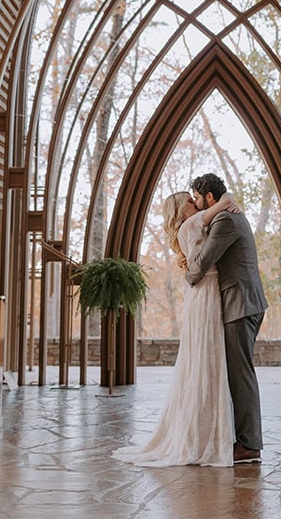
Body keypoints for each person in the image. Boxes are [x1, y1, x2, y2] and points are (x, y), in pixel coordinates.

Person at [112, 189, 237, 467]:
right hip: (205, 291)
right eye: (192, 201)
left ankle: (201, 431)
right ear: (182, 210)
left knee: (201, 358)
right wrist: (230, 201)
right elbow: (226, 200)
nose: (197, 203)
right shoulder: (192, 224)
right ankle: (205, 437)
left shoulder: (185, 229)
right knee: (207, 356)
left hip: (200, 293)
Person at [186, 173, 268, 464]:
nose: (196, 205)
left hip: (240, 303)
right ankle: (241, 438)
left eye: (197, 198)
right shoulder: (228, 213)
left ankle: (249, 445)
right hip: (243, 301)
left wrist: (186, 269)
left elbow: (200, 266)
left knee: (240, 374)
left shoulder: (225, 221)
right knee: (238, 372)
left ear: (210, 197)